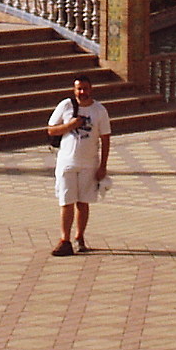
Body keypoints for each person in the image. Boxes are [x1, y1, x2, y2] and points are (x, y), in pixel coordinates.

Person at [47, 74, 112, 256]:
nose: (82, 92)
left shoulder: (99, 110)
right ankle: (64, 240)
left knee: (83, 202)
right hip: (67, 162)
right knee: (66, 201)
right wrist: (70, 125)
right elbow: (51, 129)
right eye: (79, 89)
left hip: (89, 164)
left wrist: (103, 166)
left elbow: (106, 139)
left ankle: (79, 237)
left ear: (91, 89)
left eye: (85, 88)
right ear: (74, 90)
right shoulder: (66, 106)